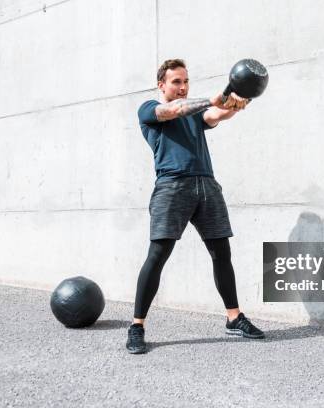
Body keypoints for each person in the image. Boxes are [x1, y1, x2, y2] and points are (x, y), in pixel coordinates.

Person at [126, 59, 265, 354]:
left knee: (221, 253)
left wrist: (243, 98)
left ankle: (234, 317)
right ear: (161, 84)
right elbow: (173, 110)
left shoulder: (195, 114)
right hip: (171, 186)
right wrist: (211, 99)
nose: (182, 87)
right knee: (158, 255)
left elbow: (218, 114)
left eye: (186, 81)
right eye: (176, 81)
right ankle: (137, 326)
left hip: (206, 185)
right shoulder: (149, 110)